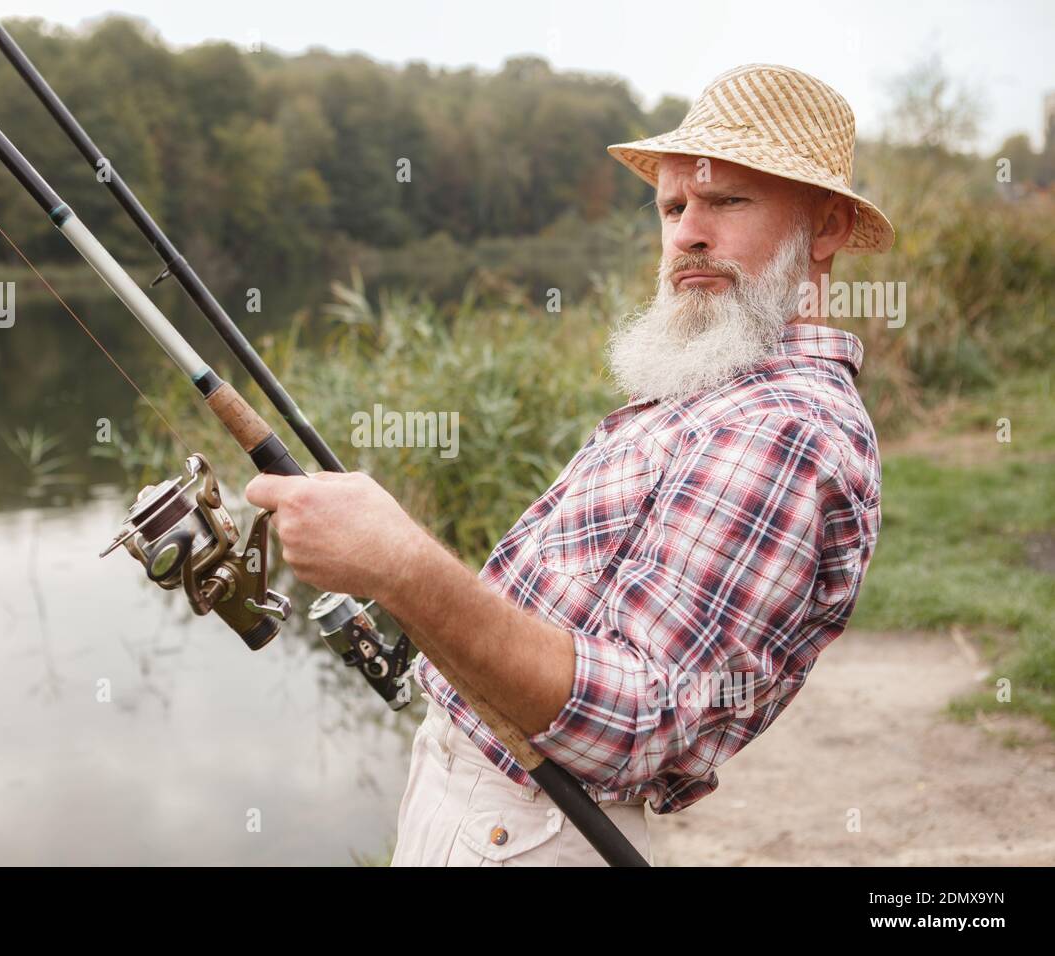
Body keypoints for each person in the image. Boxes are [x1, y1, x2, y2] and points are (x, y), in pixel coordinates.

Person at [246, 63, 892, 866]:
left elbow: (640, 720)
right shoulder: (714, 387)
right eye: (673, 205)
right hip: (492, 813)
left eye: (727, 201)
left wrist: (401, 564)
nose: (688, 232)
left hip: (526, 836)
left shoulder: (783, 429)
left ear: (826, 229)